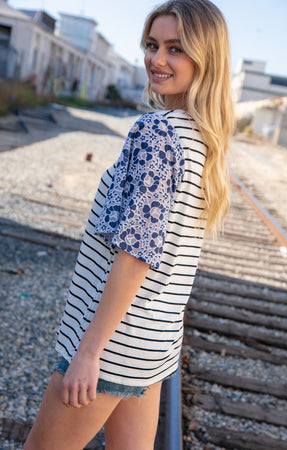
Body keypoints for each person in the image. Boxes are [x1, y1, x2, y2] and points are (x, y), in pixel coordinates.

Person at [24, 0, 234, 448]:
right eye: (152, 45)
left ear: (206, 57)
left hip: (114, 347)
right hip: (153, 346)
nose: (157, 60)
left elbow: (137, 252)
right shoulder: (203, 139)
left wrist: (88, 352)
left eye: (176, 48)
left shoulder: (158, 134)